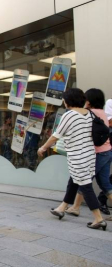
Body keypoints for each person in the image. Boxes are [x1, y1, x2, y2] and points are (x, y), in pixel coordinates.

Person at [38, 88, 106, 231]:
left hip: (78, 156)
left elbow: (56, 135)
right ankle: (62, 207)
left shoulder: (69, 115)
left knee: (85, 186)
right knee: (74, 181)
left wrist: (43, 147)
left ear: (68, 100)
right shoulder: (89, 114)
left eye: (64, 99)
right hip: (89, 156)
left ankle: (99, 219)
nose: (63, 101)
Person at [62, 89, 112, 220]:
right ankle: (74, 207)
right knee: (105, 184)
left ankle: (77, 208)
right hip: (107, 151)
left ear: (89, 101)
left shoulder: (90, 114)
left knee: (84, 181)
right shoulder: (103, 113)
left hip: (97, 153)